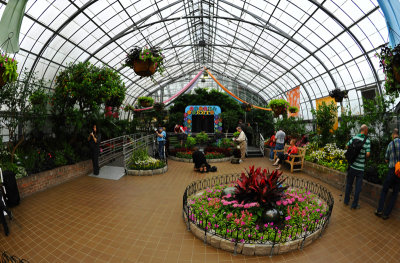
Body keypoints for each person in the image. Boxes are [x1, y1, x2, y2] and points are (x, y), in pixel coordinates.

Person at [375, 128, 400, 219]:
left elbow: (386, 159)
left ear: (393, 134)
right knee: (395, 193)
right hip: (399, 172)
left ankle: (379, 210)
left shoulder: (390, 144)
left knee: (384, 190)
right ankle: (386, 214)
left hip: (391, 170)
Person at [344, 124, 370, 209]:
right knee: (358, 187)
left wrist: (353, 153)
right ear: (365, 130)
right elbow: (368, 154)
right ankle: (354, 204)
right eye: (367, 130)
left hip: (352, 166)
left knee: (349, 184)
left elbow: (347, 145)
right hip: (360, 168)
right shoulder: (367, 141)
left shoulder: (355, 137)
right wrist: (363, 155)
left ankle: (346, 201)